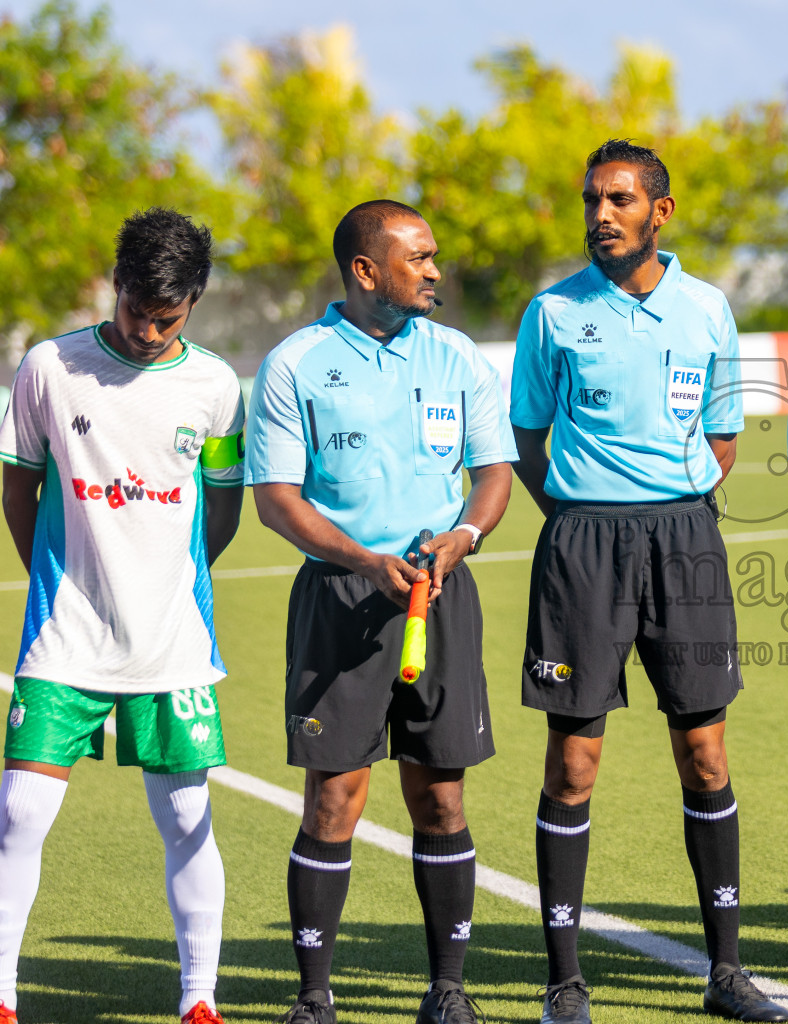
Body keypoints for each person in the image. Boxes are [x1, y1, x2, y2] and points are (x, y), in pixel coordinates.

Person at [511, 139, 788, 1024]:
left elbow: (723, 434)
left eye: (619, 200)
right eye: (592, 199)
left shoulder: (708, 310)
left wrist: (676, 508)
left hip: (685, 539)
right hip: (582, 541)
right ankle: (565, 982)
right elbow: (526, 436)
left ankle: (726, 973)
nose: (600, 215)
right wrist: (575, 512)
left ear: (658, 213)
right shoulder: (551, 312)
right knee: (574, 763)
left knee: (704, 753)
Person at [245, 200, 515, 1024]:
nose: (436, 271)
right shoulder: (295, 365)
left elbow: (494, 472)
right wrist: (364, 559)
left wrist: (466, 534)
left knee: (441, 797)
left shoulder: (457, 356)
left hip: (442, 592)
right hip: (342, 594)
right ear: (367, 271)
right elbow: (276, 502)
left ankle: (448, 989)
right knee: (336, 798)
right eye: (419, 258)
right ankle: (315, 998)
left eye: (435, 257)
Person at [0, 208, 243, 1024]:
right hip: (64, 635)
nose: (144, 329)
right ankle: (0, 993)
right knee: (19, 811)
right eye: (135, 308)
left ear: (195, 301)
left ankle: (198, 997)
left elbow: (226, 504)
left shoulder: (215, 385)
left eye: (164, 317)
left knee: (185, 815)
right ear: (116, 285)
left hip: (171, 644)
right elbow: (19, 485)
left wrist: (169, 578)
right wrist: (61, 574)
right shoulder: (48, 368)